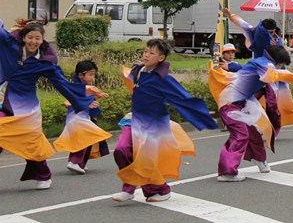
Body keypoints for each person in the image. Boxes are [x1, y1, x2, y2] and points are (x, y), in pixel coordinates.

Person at [0, 20, 108, 190]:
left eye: (38, 38)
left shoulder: (44, 62)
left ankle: (44, 175)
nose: (33, 41)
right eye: (30, 37)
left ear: (42, 40)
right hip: (4, 101)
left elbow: (62, 83)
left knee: (31, 144)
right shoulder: (10, 46)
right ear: (23, 37)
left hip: (27, 109)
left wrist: (83, 91)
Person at [112, 39, 218, 203]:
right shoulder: (138, 70)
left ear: (161, 58)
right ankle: (130, 185)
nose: (146, 54)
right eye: (146, 51)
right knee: (121, 150)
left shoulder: (163, 78)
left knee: (146, 160)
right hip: (134, 120)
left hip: (153, 125)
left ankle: (161, 190)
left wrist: (202, 115)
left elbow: (183, 97)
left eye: (151, 53)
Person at [209, 44, 293, 182]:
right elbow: (277, 75)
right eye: (281, 65)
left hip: (243, 104)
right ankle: (227, 172)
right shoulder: (267, 66)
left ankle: (260, 160)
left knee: (254, 133)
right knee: (240, 135)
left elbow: (245, 68)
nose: (280, 67)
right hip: (230, 104)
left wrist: (231, 66)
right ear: (277, 61)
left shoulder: (260, 62)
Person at [58, 60, 111, 174]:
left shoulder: (85, 87)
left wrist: (94, 104)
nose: (93, 77)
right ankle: (74, 162)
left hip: (84, 117)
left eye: (93, 74)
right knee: (84, 139)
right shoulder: (77, 87)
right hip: (78, 118)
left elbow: (90, 100)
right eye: (90, 74)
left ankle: (80, 163)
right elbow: (71, 101)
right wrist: (89, 103)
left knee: (87, 140)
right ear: (81, 75)